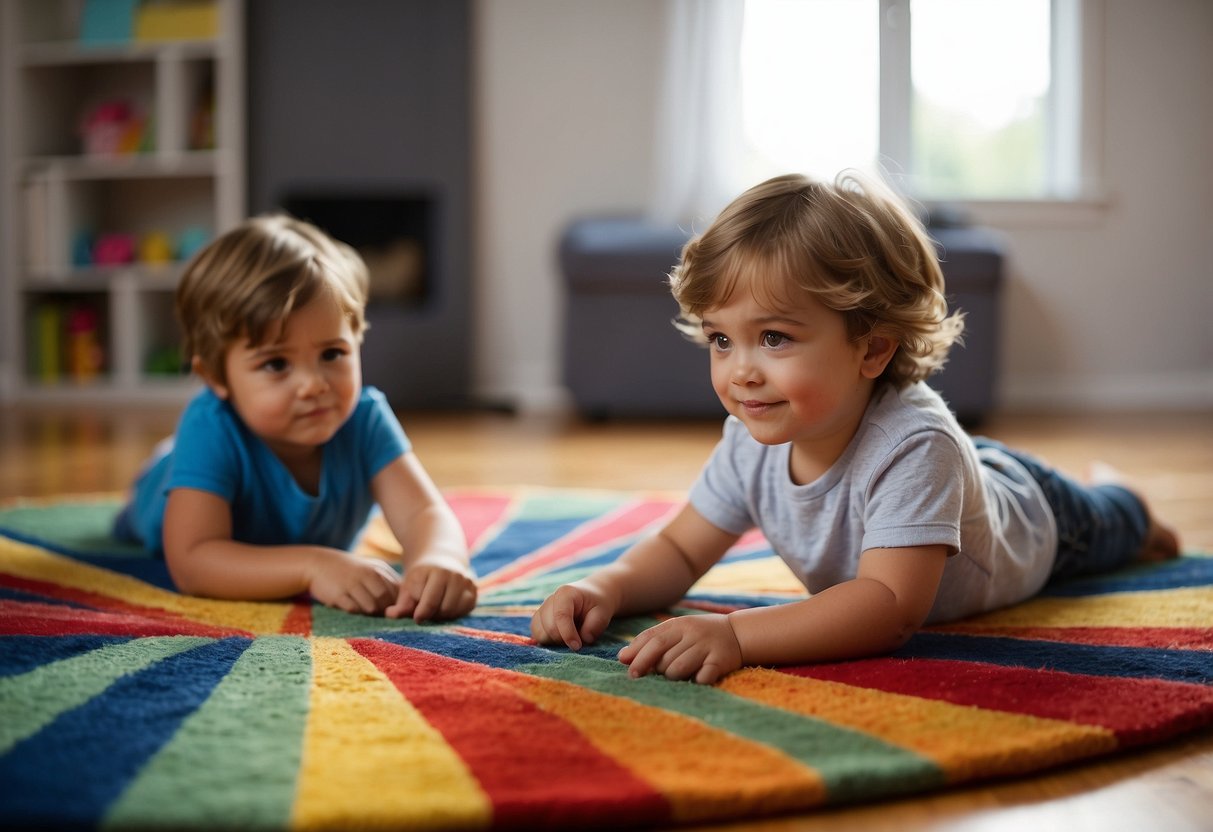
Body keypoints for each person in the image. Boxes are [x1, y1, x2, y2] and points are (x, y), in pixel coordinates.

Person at [531, 172, 1178, 683]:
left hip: (1043, 520)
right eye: (721, 339)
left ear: (871, 350)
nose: (740, 372)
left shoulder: (913, 448)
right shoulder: (748, 442)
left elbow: (888, 607)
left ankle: (1123, 496)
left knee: (1114, 522)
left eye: (774, 338)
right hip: (962, 476)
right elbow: (677, 551)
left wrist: (735, 634)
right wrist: (603, 585)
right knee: (966, 468)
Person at [114, 215, 477, 621]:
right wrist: (312, 566)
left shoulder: (366, 418)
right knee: (149, 501)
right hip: (157, 499)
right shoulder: (212, 424)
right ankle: (166, 461)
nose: (313, 385)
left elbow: (423, 513)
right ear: (216, 376)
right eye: (276, 364)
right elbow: (194, 561)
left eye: (332, 354)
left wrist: (439, 559)